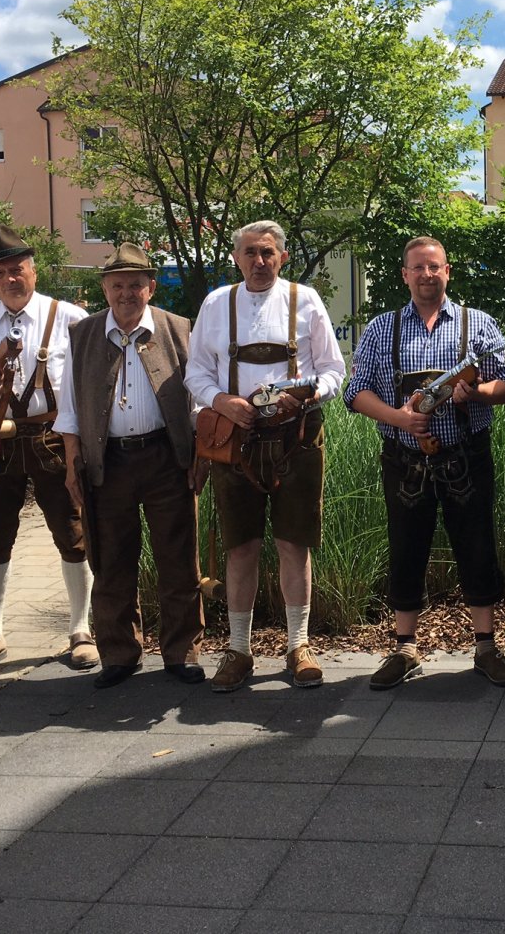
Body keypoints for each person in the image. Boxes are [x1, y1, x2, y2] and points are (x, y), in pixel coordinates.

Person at [345, 237, 505, 689]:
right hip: (404, 459)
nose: (426, 274)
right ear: (404, 274)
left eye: (434, 267)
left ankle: (485, 646)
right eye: (417, 267)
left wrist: (475, 391)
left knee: (477, 546)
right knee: (406, 549)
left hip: (467, 455)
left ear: (448, 271)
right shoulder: (382, 328)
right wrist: (399, 418)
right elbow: (356, 391)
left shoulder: (476, 324)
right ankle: (404, 647)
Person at [186, 220, 346, 692]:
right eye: (251, 253)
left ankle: (299, 645)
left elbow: (334, 370)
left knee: (294, 543)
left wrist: (309, 394)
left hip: (296, 436)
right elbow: (195, 373)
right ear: (236, 257)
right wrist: (222, 402)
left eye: (268, 253)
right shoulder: (216, 303)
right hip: (235, 441)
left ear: (283, 257)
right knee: (241, 546)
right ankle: (239, 650)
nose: (259, 261)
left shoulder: (307, 299)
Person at [0, 225, 96, 675]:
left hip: (53, 436)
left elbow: (91, 381)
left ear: (33, 269)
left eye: (18, 269)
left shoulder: (69, 316)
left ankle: (81, 629)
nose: (11, 278)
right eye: (1, 272)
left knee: (73, 532)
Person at [57, 243, 204, 689]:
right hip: (108, 461)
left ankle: (183, 652)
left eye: (136, 284)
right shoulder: (82, 335)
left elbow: (197, 399)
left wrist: (200, 457)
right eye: (117, 284)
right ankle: (119, 654)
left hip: (166, 457)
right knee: (112, 559)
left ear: (151, 288)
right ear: (104, 288)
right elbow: (68, 406)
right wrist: (71, 461)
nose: (126, 293)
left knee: (178, 558)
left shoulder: (177, 329)